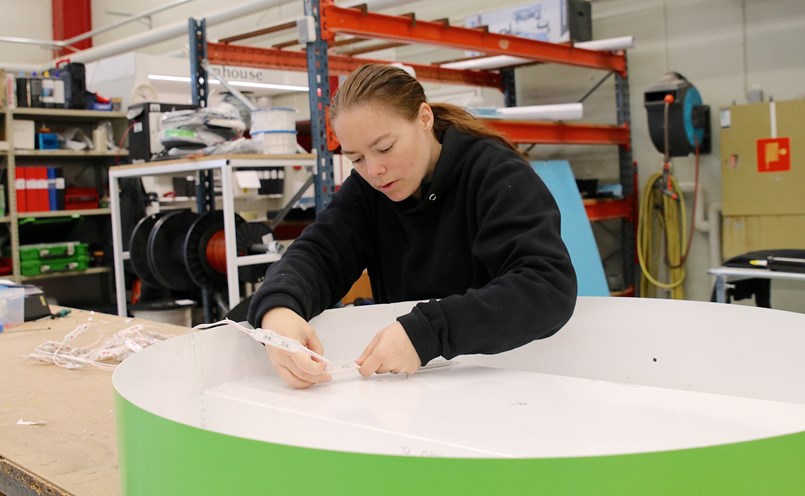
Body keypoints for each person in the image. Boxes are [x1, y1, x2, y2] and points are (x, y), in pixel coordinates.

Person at [247, 63, 577, 389]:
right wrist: (278, 310)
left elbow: (546, 286)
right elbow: (321, 252)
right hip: (411, 390)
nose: (374, 170)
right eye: (356, 158)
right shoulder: (369, 190)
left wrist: (427, 332)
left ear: (424, 118)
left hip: (500, 382)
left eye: (385, 147)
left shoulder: (494, 173)